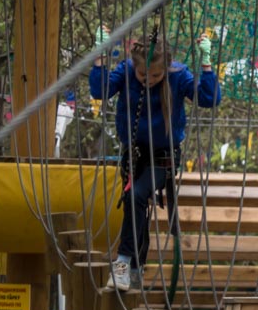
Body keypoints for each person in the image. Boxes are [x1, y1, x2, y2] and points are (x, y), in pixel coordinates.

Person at [90, 31, 221, 292]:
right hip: (134, 154)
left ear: (167, 69)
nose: (149, 81)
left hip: (163, 157)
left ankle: (123, 264)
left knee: (136, 197)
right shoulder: (127, 71)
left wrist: (206, 64)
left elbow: (209, 99)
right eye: (143, 76)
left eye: (156, 76)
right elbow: (99, 91)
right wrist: (99, 59)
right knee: (134, 206)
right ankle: (136, 269)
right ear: (135, 68)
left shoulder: (178, 76)